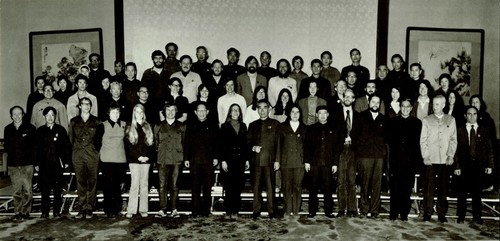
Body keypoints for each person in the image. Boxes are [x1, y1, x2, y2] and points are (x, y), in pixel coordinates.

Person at [453, 106, 494, 224]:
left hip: (478, 166)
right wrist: (457, 166)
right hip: (464, 166)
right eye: (469, 114)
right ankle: (461, 216)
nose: (472, 116)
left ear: (477, 115)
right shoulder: (459, 130)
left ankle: (477, 216)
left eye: (474, 114)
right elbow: (455, 150)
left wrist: (489, 165)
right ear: (465, 116)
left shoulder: (484, 130)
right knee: (462, 193)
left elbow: (489, 150)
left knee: (477, 193)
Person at [420, 95, 457, 223]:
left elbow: (453, 140)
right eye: (433, 104)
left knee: (443, 188)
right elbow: (423, 140)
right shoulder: (427, 120)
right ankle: (427, 212)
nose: (435, 107)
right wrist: (425, 156)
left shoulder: (451, 120)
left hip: (445, 160)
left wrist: (450, 155)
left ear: (443, 105)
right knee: (429, 187)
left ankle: (442, 213)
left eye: (437, 104)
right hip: (430, 159)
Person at [386, 98, 422, 221]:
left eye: (408, 106)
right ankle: (393, 212)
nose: (405, 108)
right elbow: (389, 141)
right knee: (395, 187)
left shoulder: (417, 123)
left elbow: (418, 144)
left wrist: (416, 162)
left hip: (410, 161)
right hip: (395, 160)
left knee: (406, 188)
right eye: (403, 106)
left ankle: (404, 213)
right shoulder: (392, 122)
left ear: (412, 108)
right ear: (400, 107)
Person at [184, 102, 219, 217]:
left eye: (204, 110)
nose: (202, 113)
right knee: (195, 186)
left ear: (207, 112)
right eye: (199, 110)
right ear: (195, 112)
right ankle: (195, 209)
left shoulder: (213, 125)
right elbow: (187, 143)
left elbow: (216, 143)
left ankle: (205, 210)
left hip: (208, 161)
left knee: (207, 187)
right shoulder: (190, 125)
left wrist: (216, 157)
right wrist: (186, 158)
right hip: (194, 160)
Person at [35, 106, 71, 218]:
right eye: (48, 115)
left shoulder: (61, 130)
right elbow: (36, 148)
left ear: (55, 116)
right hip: (44, 164)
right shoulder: (40, 131)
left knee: (57, 189)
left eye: (52, 115)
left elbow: (66, 147)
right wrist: (36, 163)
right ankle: (44, 211)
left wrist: (66, 161)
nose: (50, 117)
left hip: (56, 164)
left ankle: (56, 211)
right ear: (44, 116)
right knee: (44, 189)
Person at [68, 97, 101, 219]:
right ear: (79, 106)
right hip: (78, 155)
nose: (86, 106)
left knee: (92, 181)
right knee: (80, 181)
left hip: (92, 155)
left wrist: (95, 151)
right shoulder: (73, 121)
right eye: (84, 104)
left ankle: (90, 208)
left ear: (91, 107)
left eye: (88, 104)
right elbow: (70, 140)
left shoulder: (97, 122)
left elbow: (99, 140)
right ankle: (82, 207)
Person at [247, 100, 280, 219]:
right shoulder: (252, 125)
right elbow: (247, 142)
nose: (262, 110)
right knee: (256, 187)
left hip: (270, 161)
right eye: (259, 108)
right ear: (257, 110)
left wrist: (277, 160)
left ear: (269, 109)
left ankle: (271, 210)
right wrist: (253, 147)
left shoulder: (276, 124)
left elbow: (279, 143)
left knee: (270, 186)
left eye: (265, 108)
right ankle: (256, 210)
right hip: (256, 161)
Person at [304, 105, 338, 218]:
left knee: (328, 188)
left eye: (325, 113)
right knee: (312, 187)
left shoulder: (333, 128)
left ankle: (328, 211)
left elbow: (336, 148)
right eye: (320, 113)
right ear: (317, 115)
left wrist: (335, 163)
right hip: (314, 163)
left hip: (328, 163)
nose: (322, 115)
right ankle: (312, 210)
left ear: (328, 114)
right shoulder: (311, 128)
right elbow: (307, 146)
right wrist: (307, 161)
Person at [356, 95, 387, 218]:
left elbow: (386, 138)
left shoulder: (384, 119)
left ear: (380, 104)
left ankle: (375, 210)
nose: (375, 104)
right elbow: (356, 136)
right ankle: (364, 209)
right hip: (365, 156)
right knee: (365, 183)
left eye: (377, 102)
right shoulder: (361, 116)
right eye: (373, 101)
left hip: (379, 156)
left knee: (377, 184)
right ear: (369, 102)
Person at [4, 106, 36, 220]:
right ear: (11, 116)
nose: (17, 116)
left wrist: (34, 163)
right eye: (14, 114)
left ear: (23, 114)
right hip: (13, 165)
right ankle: (17, 211)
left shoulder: (30, 128)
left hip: (27, 164)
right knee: (16, 190)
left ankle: (26, 211)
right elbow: (7, 147)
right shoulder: (7, 129)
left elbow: (34, 147)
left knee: (27, 190)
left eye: (19, 114)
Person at [154, 103, 186, 218]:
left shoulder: (182, 126)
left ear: (176, 112)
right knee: (162, 185)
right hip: (162, 159)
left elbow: (184, 142)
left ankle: (174, 209)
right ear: (164, 112)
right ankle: (162, 209)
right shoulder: (158, 126)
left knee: (174, 185)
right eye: (168, 110)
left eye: (173, 110)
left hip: (176, 159)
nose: (170, 112)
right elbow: (156, 143)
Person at [95, 102, 127, 219]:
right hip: (107, 160)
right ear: (108, 113)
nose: (115, 114)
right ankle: (109, 210)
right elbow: (96, 143)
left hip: (120, 160)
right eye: (113, 112)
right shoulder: (102, 125)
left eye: (117, 112)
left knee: (117, 186)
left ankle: (117, 208)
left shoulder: (124, 124)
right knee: (108, 185)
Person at [332, 89, 360, 217]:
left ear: (354, 99)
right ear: (343, 98)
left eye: (350, 96)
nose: (348, 98)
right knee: (341, 180)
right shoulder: (336, 114)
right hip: (340, 150)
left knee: (352, 180)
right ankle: (341, 209)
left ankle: (352, 209)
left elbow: (361, 136)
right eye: (346, 96)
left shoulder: (359, 116)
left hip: (353, 151)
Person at [220, 104, 250, 218]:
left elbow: (246, 144)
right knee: (229, 186)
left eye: (237, 110)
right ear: (230, 113)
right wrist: (223, 160)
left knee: (237, 186)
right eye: (233, 110)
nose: (235, 112)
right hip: (229, 160)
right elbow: (221, 145)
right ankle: (228, 210)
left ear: (240, 113)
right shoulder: (224, 126)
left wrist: (247, 159)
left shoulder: (243, 126)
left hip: (240, 160)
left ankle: (236, 210)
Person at [125, 104, 155, 218]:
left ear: (144, 113)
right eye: (137, 112)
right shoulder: (130, 127)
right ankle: (131, 210)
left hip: (146, 160)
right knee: (134, 185)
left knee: (144, 184)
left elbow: (152, 145)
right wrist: (138, 157)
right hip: (134, 160)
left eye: (141, 112)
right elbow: (128, 146)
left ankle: (143, 209)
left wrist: (147, 157)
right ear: (134, 113)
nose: (139, 114)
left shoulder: (148, 127)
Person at [277, 105, 306, 219]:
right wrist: (278, 161)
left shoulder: (304, 128)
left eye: (297, 112)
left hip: (300, 162)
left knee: (298, 187)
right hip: (286, 162)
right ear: (289, 114)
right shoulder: (282, 127)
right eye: (293, 112)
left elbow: (307, 146)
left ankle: (296, 210)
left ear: (300, 114)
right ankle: (288, 210)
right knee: (287, 187)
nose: (295, 114)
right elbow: (278, 145)